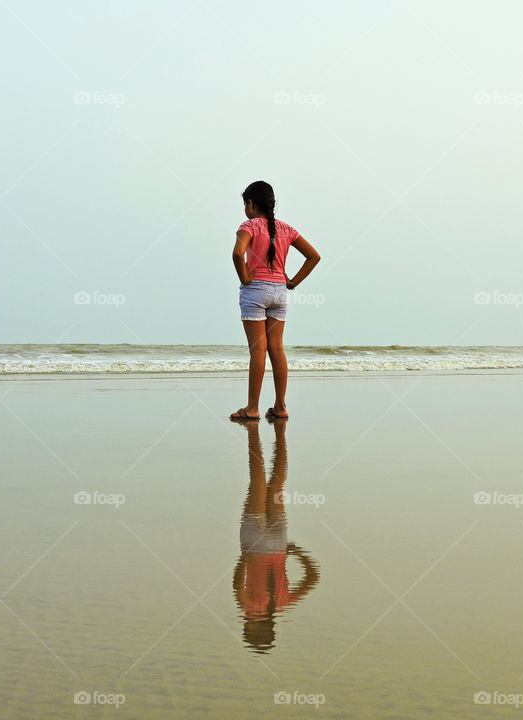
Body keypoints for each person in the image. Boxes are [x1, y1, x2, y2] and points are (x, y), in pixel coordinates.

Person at [230, 181, 321, 421]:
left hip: (256, 290)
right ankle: (280, 406)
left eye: (245, 204)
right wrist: (292, 282)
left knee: (258, 350)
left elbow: (238, 253)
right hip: (280, 291)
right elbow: (314, 256)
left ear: (251, 204)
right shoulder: (286, 229)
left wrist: (245, 277)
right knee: (277, 349)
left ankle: (252, 408)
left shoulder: (249, 225)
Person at [233, 417, 319, 653]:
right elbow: (237, 584)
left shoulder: (282, 604)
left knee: (277, 482)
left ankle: (281, 436)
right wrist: (243, 557)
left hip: (279, 541)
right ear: (252, 627)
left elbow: (313, 576)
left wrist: (295, 551)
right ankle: (255, 432)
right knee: (257, 478)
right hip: (254, 544)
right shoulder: (248, 607)